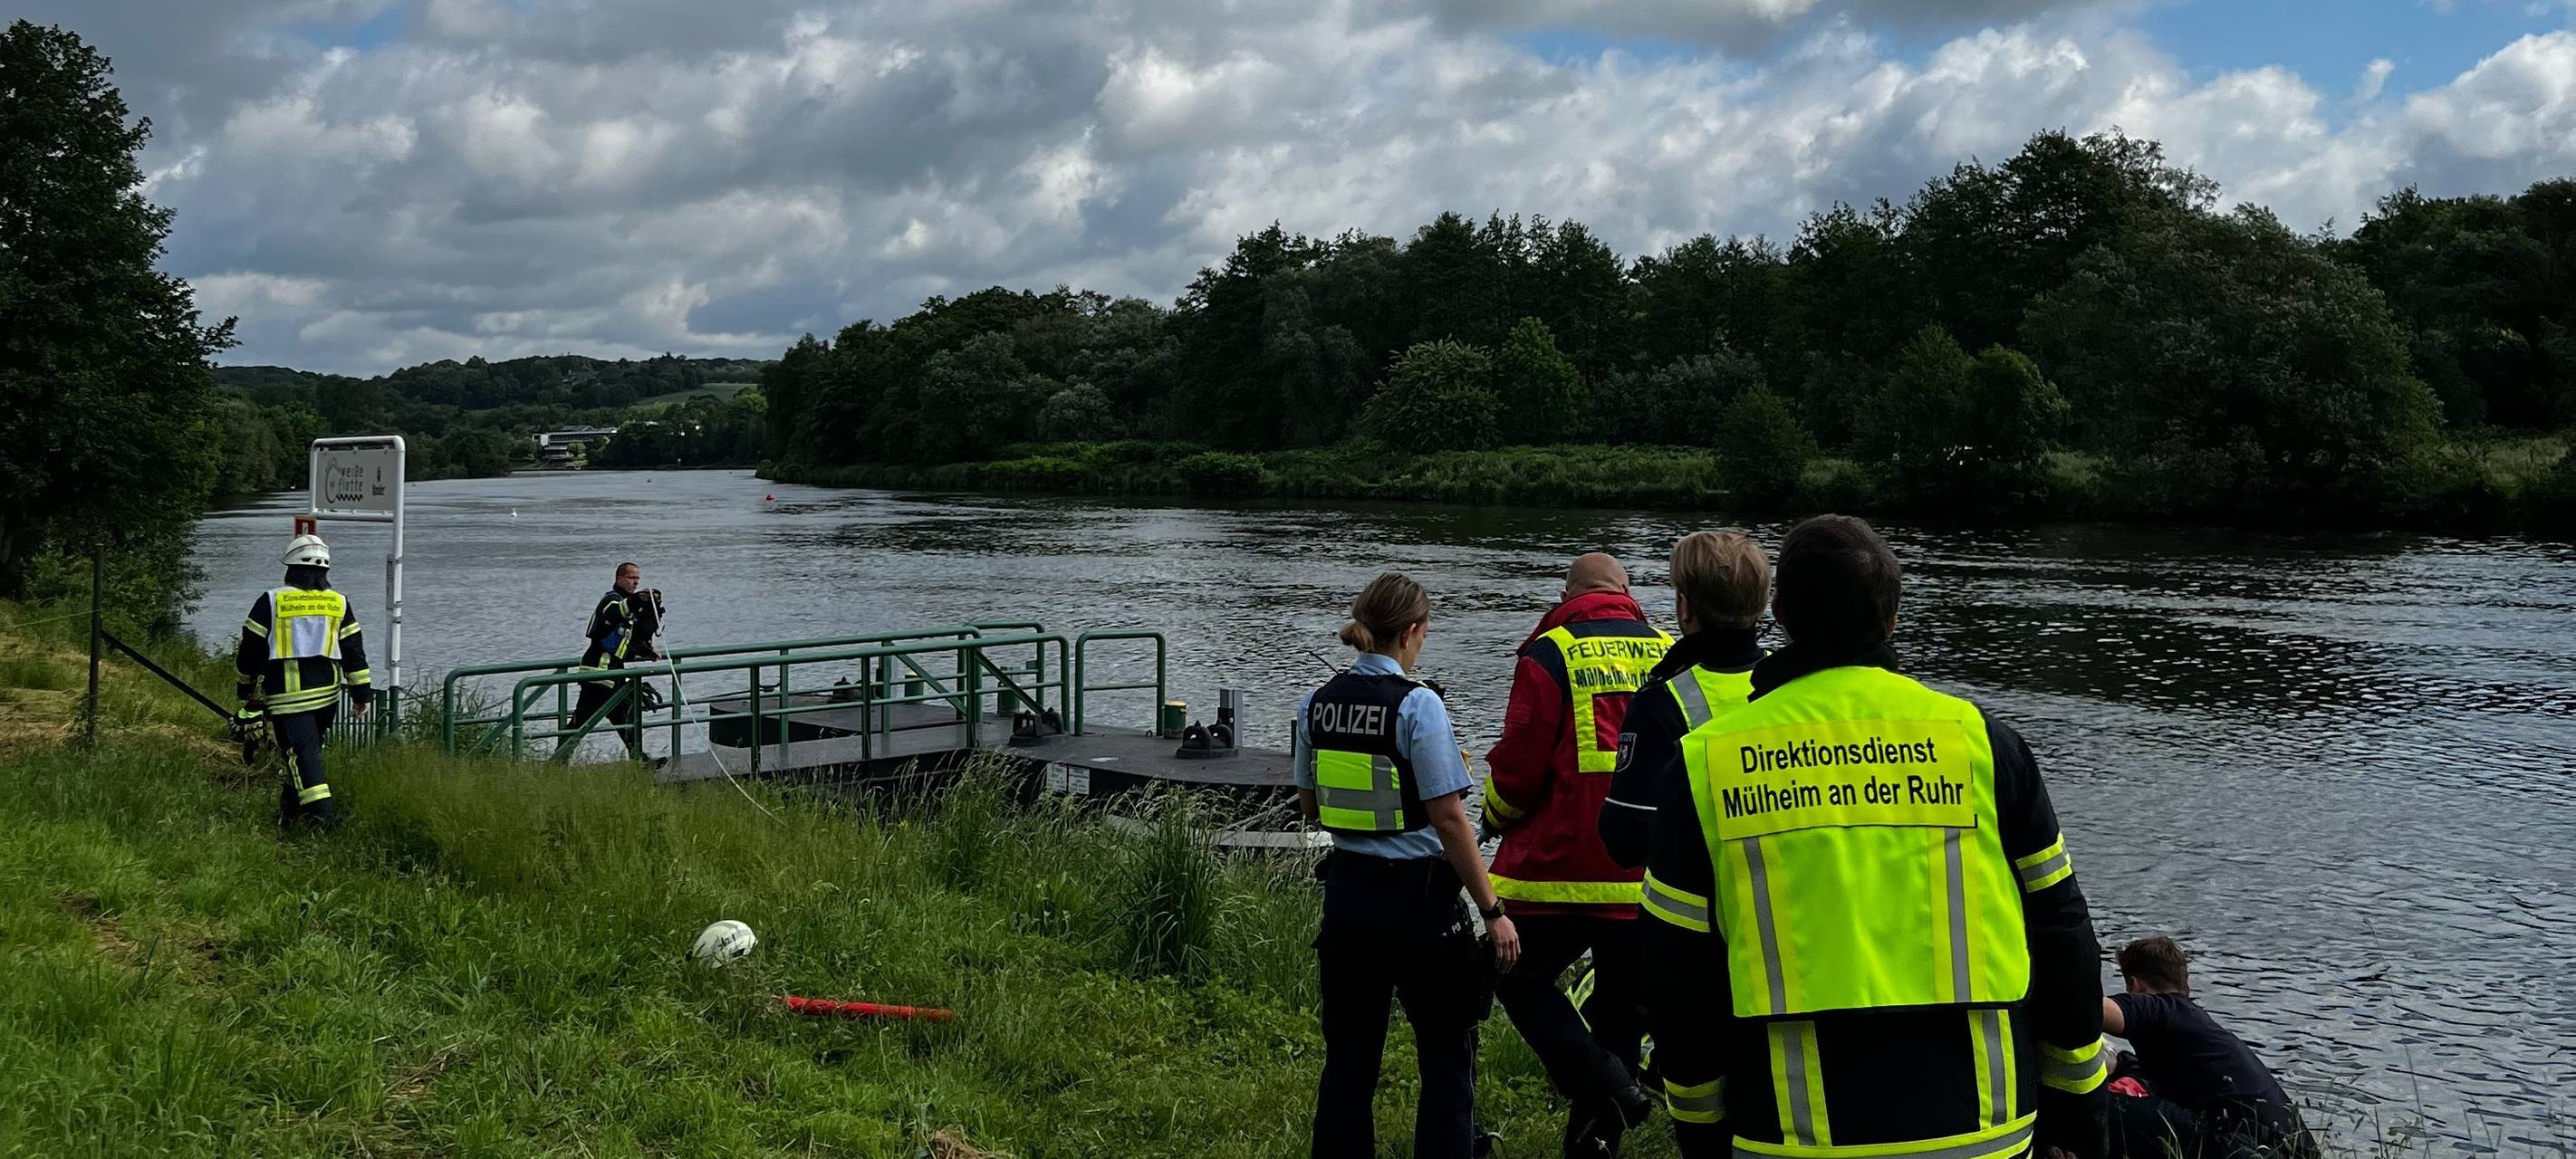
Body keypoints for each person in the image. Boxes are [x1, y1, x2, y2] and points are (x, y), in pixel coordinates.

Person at [1639, 515, 2109, 1159]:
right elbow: (2064, 936)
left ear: (1779, 613)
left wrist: (1699, 1126)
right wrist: (2080, 1107)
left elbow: (1676, 976)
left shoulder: (1706, 762)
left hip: (1792, 1131)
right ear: (1892, 617)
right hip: (1985, 1127)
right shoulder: (1984, 744)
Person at [1299, 572, 1523, 1159]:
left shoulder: (1315, 703)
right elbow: (1450, 819)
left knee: (1348, 1060)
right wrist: (1492, 910)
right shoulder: (1418, 705)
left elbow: (1311, 804)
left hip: (1347, 895)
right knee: (1447, 1056)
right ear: (1414, 632)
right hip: (1420, 906)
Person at [1481, 551, 1670, 1155]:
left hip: (1554, 871)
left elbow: (1518, 766)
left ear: (1569, 593)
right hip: (1642, 875)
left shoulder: (1551, 651)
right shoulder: (1669, 651)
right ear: (1625, 589)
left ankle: (1608, 1082)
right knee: (1618, 1017)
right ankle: (1596, 1136)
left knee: (1509, 970)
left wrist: (1492, 816)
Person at [1600, 531, 1773, 871]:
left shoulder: (1661, 701)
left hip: (1695, 913)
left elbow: (1625, 838)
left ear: (1685, 607)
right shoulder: (1794, 683)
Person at [2101, 937, 2314, 1159]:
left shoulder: (2162, 1007)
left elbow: (2084, 1009)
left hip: (2243, 1145)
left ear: (2135, 986)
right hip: (2287, 1149)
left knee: (2092, 1107)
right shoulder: (2194, 1024)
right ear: (2187, 987)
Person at [235, 533, 370, 831]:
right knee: (303, 754)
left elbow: (250, 650)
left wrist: (245, 688)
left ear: (290, 568)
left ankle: (323, 822)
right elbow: (353, 651)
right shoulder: (339, 602)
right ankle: (288, 819)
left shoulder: (271, 600)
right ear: (325, 571)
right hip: (327, 699)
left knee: (302, 756)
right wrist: (361, 694)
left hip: (288, 698)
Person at [572, 561, 662, 758]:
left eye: (637, 578)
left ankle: (641, 760)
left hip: (613, 671)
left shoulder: (629, 606)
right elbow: (616, 611)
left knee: (624, 717)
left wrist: (648, 651)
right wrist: (637, 600)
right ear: (619, 578)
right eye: (631, 578)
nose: (635, 582)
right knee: (582, 722)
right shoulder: (611, 601)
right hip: (597, 672)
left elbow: (626, 643)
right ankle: (558, 760)